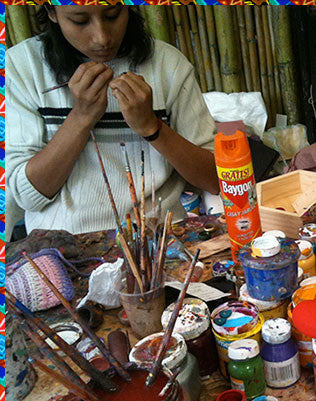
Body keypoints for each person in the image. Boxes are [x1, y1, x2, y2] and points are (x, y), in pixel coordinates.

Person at [6, 5, 219, 236]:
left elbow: (215, 180)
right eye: (80, 20)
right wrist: (82, 117)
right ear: (51, 12)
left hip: (161, 238)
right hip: (65, 247)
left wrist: (151, 127)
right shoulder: (22, 66)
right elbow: (26, 196)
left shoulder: (168, 64)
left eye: (112, 15)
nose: (102, 38)